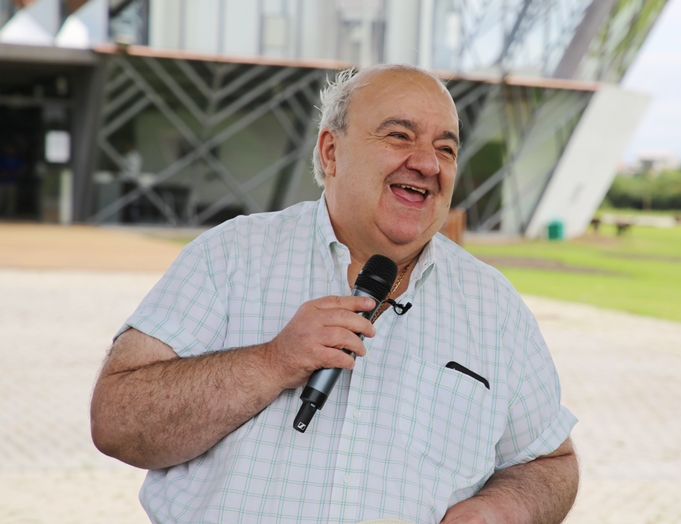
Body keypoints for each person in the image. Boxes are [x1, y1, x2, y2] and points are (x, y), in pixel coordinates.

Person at [91, 63, 579, 523]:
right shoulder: (232, 254)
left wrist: (499, 511)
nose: (427, 163)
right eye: (399, 136)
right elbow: (116, 421)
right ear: (331, 152)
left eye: (446, 148)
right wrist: (272, 362)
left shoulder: (493, 306)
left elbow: (549, 461)